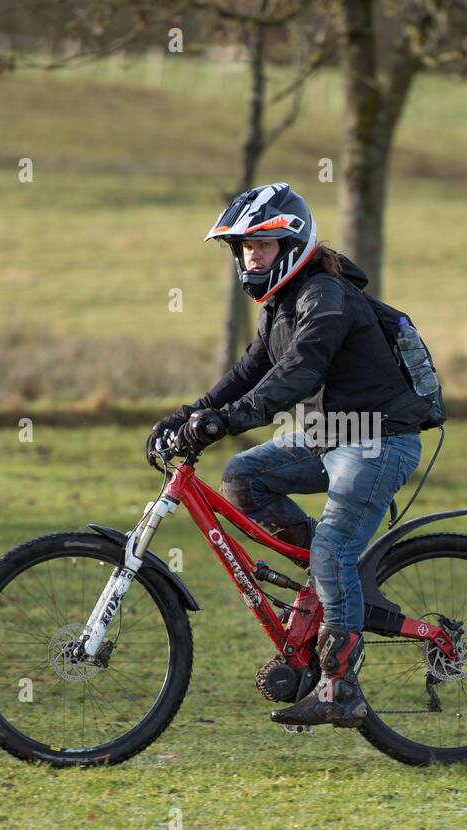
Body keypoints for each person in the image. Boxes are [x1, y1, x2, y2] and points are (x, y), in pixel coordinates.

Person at [145, 182, 427, 727]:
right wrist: (189, 414)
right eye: (245, 247)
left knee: (333, 548)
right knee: (246, 477)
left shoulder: (325, 296)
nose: (252, 255)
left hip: (378, 437)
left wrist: (225, 421)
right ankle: (324, 593)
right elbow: (251, 371)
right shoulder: (281, 305)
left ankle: (340, 686)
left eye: (263, 245)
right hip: (334, 435)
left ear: (291, 245)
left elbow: (298, 373)